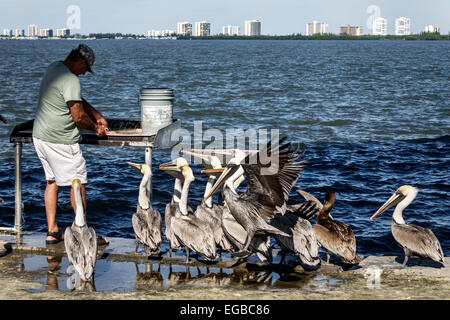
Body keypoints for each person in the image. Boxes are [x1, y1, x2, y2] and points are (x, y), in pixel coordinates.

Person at [32, 44, 109, 245]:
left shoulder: (54, 68)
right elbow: (77, 116)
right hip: (61, 140)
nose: (84, 73)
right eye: (86, 69)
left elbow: (76, 99)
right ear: (81, 62)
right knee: (78, 184)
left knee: (52, 182)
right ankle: (83, 233)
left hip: (40, 136)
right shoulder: (71, 79)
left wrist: (96, 114)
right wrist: (96, 128)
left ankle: (52, 231)